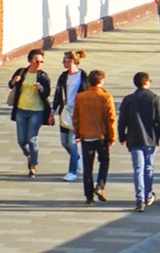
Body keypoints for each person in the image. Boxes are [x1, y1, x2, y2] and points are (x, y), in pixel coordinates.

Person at [116, 71, 160, 212]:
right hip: (150, 138)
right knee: (149, 168)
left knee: (138, 169)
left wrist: (122, 137)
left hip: (134, 138)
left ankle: (139, 199)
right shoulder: (154, 98)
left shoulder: (128, 100)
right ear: (147, 82)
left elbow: (122, 121)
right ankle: (148, 195)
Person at [72, 69, 116, 204]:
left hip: (86, 135)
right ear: (101, 81)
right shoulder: (106, 97)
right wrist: (113, 136)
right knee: (104, 161)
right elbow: (111, 118)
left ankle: (89, 196)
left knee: (87, 167)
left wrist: (78, 133)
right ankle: (100, 185)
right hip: (101, 135)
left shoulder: (80, 97)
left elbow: (76, 118)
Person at [7, 49, 53, 177]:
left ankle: (33, 166)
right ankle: (29, 155)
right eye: (36, 61)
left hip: (36, 111)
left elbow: (47, 92)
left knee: (32, 140)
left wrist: (41, 88)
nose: (39, 64)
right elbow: (11, 85)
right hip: (21, 110)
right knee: (22, 141)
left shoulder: (43, 76)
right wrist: (14, 81)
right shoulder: (21, 72)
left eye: (41, 62)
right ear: (29, 60)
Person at [52, 50, 88, 183]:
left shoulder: (83, 76)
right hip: (65, 112)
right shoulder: (63, 76)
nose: (63, 62)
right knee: (64, 142)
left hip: (78, 114)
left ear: (71, 61)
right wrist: (52, 111)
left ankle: (72, 171)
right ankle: (78, 158)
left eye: (65, 60)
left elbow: (87, 94)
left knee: (72, 143)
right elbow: (57, 94)